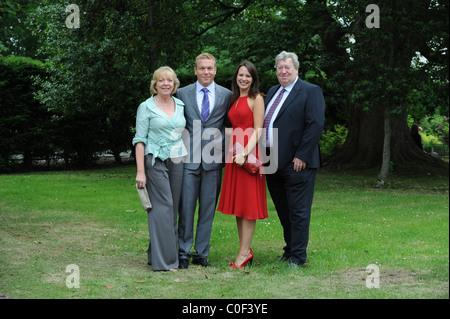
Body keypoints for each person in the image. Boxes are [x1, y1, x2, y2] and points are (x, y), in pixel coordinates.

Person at [263, 51, 325, 268]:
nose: (283, 71)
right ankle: (289, 250)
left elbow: (315, 124)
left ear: (296, 69)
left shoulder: (310, 91)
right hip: (272, 163)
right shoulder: (272, 92)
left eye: (287, 67)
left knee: (298, 212)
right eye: (280, 68)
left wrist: (302, 155)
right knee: (283, 210)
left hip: (298, 163)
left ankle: (298, 257)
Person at [177, 53, 232, 269]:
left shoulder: (227, 95)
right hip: (189, 159)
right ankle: (183, 251)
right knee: (187, 208)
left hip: (214, 159)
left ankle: (201, 253)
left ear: (215, 70)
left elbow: (230, 125)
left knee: (208, 208)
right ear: (195, 70)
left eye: (210, 68)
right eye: (202, 68)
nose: (206, 72)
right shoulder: (182, 93)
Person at [133, 66, 187, 272]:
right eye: (161, 80)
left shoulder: (180, 105)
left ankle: (154, 253)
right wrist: (140, 171)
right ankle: (166, 262)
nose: (166, 83)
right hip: (155, 161)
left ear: (174, 85)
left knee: (171, 210)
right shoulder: (145, 107)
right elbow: (139, 140)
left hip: (177, 159)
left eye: (170, 80)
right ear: (154, 85)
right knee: (163, 208)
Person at [217, 61, 268, 269]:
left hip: (248, 156)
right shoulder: (235, 99)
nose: (244, 79)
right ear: (236, 77)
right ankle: (244, 250)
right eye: (241, 75)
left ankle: (245, 252)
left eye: (248, 76)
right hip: (234, 155)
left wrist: (244, 153)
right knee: (239, 206)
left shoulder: (257, 99)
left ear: (253, 79)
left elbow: (258, 130)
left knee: (248, 206)